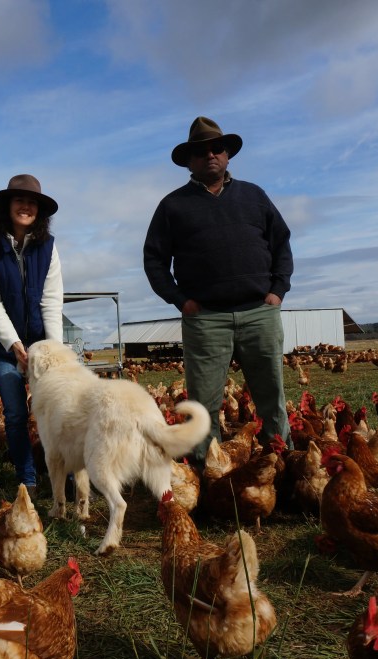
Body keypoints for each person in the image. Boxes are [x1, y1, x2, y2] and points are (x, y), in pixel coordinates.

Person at [143, 116, 293, 458]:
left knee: (272, 397)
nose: (210, 154)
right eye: (200, 151)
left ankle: (282, 466)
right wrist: (180, 300)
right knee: (204, 402)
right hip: (206, 318)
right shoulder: (173, 205)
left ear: (227, 155)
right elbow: (154, 260)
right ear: (189, 161)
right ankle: (202, 474)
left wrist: (278, 291)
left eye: (217, 148)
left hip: (260, 312)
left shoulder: (254, 196)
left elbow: (282, 244)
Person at [0, 174, 64, 491]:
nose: (26, 206)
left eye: (32, 202)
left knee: (51, 409)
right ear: (6, 206)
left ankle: (58, 472)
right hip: (2, 346)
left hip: (40, 341)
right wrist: (13, 344)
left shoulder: (48, 247)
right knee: (14, 411)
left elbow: (52, 300)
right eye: (19, 200)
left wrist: (53, 350)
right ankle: (27, 476)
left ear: (39, 211)